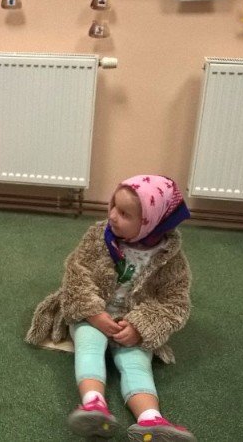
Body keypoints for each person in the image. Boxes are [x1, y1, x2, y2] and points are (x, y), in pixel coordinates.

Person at [25, 175, 196, 441]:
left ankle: (151, 420)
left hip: (132, 320)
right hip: (93, 312)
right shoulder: (98, 236)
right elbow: (76, 275)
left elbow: (175, 304)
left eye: (125, 214)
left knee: (136, 362)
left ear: (151, 222)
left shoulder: (171, 259)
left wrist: (140, 327)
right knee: (89, 344)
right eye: (113, 206)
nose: (113, 216)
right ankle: (93, 404)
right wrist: (93, 314)